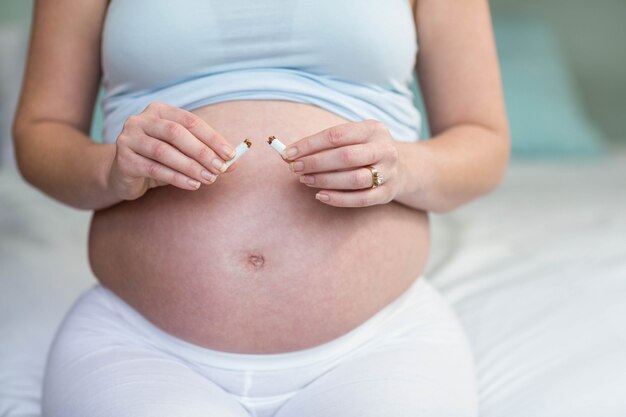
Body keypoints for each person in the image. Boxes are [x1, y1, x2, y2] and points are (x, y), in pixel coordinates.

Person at [12, 0, 509, 416]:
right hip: (138, 345)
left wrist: (404, 167)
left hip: (382, 342)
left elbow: (484, 142)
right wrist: (111, 170)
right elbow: (40, 132)